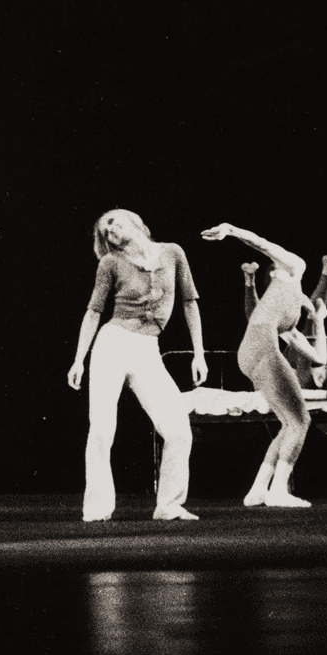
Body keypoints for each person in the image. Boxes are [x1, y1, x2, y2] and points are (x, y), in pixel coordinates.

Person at [68, 209, 207, 522]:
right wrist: (79, 359)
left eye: (113, 221)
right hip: (112, 344)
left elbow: (189, 302)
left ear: (133, 220)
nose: (110, 231)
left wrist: (199, 352)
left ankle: (169, 505)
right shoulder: (111, 263)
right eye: (105, 231)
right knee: (103, 427)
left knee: (179, 430)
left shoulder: (173, 253)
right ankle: (98, 508)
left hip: (148, 350)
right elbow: (93, 312)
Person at [205, 223, 327, 507]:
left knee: (288, 422)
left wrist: (320, 321)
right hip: (261, 346)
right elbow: (261, 243)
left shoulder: (289, 314)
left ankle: (259, 489)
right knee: (301, 421)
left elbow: (318, 358)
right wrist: (231, 230)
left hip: (249, 354)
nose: (274, 266)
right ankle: (279, 491)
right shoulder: (294, 267)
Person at [243, 250, 327, 387]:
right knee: (265, 324)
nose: (325, 368)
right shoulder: (315, 375)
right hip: (283, 369)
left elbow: (305, 354)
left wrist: (315, 318)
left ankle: (250, 280)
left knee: (263, 325)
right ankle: (250, 279)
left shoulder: (305, 378)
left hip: (274, 373)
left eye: (325, 371)